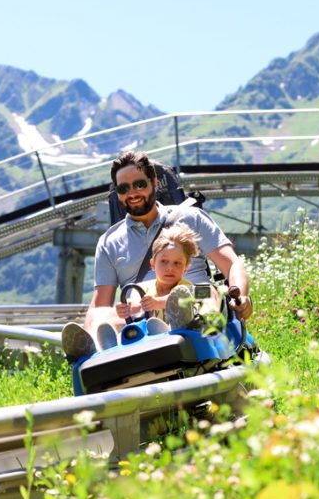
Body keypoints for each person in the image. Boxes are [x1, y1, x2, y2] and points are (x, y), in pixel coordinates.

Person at [61, 151, 252, 359]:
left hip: (196, 302)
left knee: (208, 293)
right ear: (118, 193)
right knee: (100, 314)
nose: (132, 193)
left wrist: (241, 296)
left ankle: (182, 324)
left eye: (139, 184)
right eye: (124, 188)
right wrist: (100, 319)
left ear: (153, 182)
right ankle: (93, 352)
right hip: (142, 316)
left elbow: (232, 264)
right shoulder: (109, 242)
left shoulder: (191, 218)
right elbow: (100, 304)